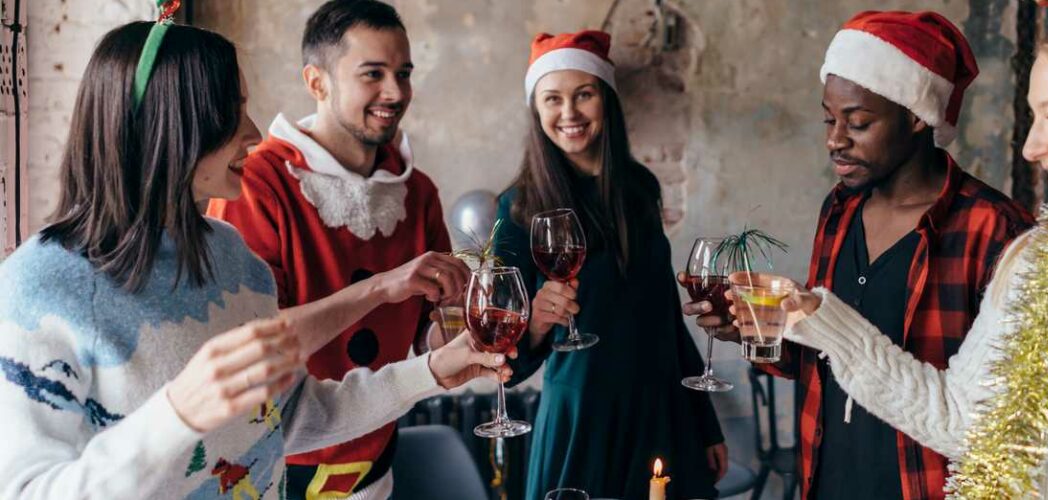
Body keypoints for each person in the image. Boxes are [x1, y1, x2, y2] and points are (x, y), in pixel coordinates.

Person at [0, 20, 508, 499]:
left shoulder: (231, 259)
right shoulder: (39, 288)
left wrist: (432, 371)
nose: (255, 134)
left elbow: (285, 420)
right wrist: (178, 415)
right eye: (230, 111)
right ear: (165, 124)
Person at [746, 3, 1048, 498]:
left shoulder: (999, 229)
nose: (1030, 147)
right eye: (1033, 117)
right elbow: (964, 418)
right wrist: (810, 319)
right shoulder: (1036, 264)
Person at [683, 11, 1033, 500]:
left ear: (916, 116)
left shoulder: (995, 230)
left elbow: (994, 417)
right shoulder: (840, 209)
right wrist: (757, 331)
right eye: (830, 119)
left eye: (859, 123)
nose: (834, 140)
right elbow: (823, 362)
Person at [206, 1, 456, 496]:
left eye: (403, 73)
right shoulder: (257, 182)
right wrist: (383, 288)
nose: (395, 92)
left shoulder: (419, 191)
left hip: (376, 468)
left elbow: (432, 331)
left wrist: (460, 327)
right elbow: (250, 348)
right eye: (373, 74)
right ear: (316, 82)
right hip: (271, 471)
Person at [492, 31, 726, 500]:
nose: (569, 113)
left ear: (607, 99)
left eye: (584, 94)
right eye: (552, 99)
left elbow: (665, 314)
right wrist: (536, 321)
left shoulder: (639, 188)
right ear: (536, 112)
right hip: (582, 420)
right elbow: (505, 365)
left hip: (661, 411)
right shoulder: (517, 208)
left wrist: (703, 421)